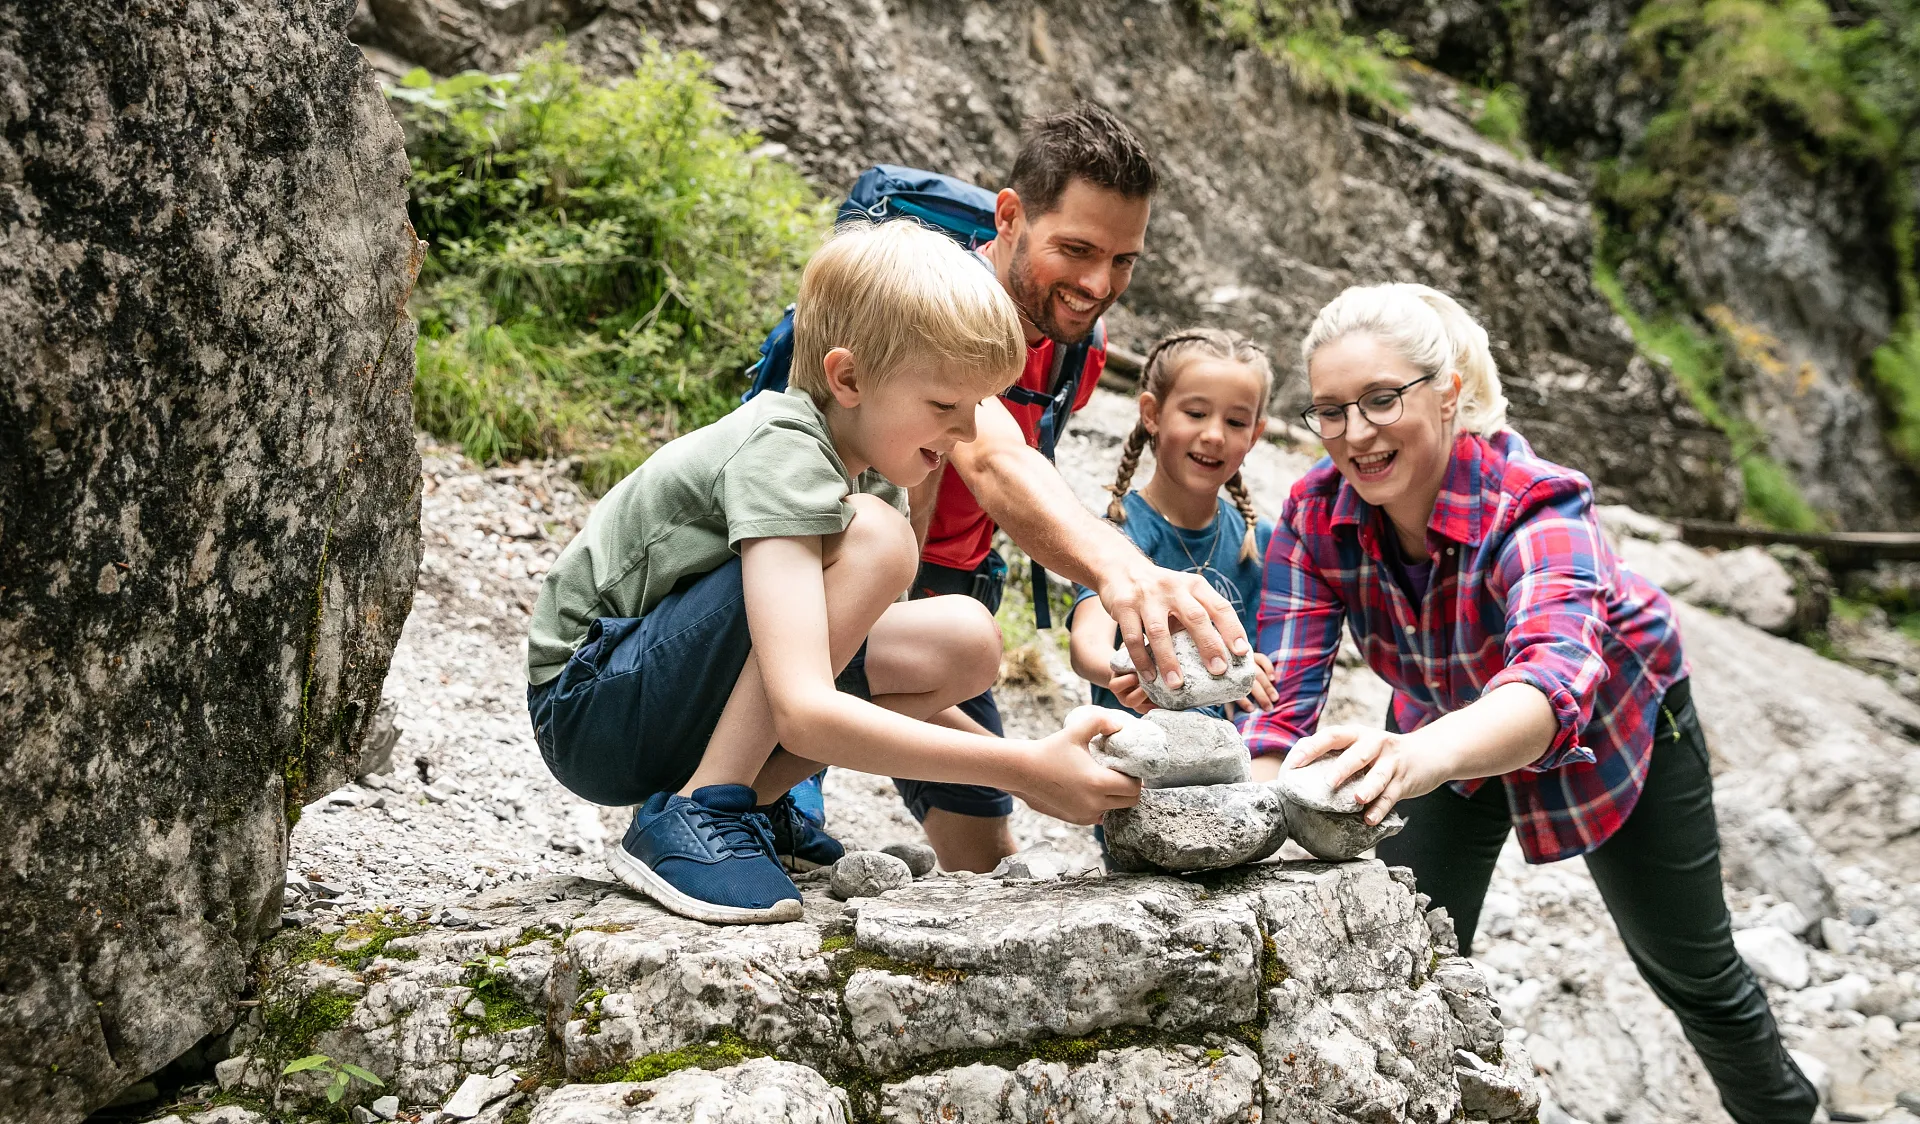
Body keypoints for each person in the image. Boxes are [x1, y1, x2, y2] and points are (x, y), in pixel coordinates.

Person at [1245, 282, 1819, 1121]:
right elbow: (1280, 701)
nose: (1356, 433)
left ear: (1448, 394)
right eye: (1330, 410)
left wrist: (1413, 759)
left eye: (1382, 399)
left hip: (1615, 727)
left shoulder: (1538, 501)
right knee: (1410, 961)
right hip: (1439, 727)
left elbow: (1551, 682)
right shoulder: (1314, 510)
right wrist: (1253, 821)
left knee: (1693, 972)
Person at [523, 222, 1141, 925]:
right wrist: (1021, 768)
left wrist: (1030, 769)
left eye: (978, 406)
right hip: (588, 705)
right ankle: (704, 808)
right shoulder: (786, 452)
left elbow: (849, 666)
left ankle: (748, 800)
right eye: (945, 406)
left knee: (966, 644)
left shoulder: (875, 475)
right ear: (848, 379)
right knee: (879, 540)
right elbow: (806, 709)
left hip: (658, 698)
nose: (968, 432)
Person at [893, 103, 1252, 871]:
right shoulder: (934, 306)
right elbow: (992, 459)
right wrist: (1127, 573)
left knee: (986, 859)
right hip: (832, 580)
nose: (1097, 284)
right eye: (1077, 250)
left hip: (953, 587)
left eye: (1123, 260)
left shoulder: (1076, 348)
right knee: (766, 821)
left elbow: (1025, 469)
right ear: (1010, 217)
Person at [1067, 329, 1279, 721]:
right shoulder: (1116, 535)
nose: (1214, 435)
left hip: (1224, 753)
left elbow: (1269, 661)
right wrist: (1136, 673)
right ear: (1152, 414)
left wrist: (1255, 669)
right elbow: (1086, 647)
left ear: (1255, 435)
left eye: (1236, 421)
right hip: (1132, 744)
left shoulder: (1259, 542)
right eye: (1196, 414)